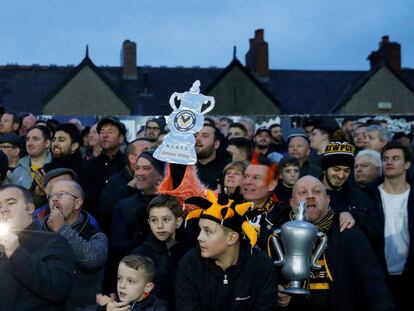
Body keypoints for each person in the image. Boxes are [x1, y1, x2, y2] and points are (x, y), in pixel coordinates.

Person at [277, 176, 396, 311]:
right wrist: (276, 291)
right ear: (292, 202)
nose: (310, 196)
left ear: (327, 200)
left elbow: (372, 281)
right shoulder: (280, 232)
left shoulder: (345, 229)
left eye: (316, 192)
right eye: (303, 192)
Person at [176, 190, 278, 310]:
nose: (199, 237)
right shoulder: (190, 263)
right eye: (200, 230)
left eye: (208, 231)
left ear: (232, 238)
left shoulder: (261, 266)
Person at [0, 184, 75, 310]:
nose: (3, 210)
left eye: (11, 203)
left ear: (30, 208)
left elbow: (59, 290)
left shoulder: (54, 241)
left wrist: (15, 252)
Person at [42, 180, 108, 310]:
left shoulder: (96, 235)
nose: (54, 199)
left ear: (78, 203)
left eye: (61, 194)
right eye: (51, 196)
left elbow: (91, 259)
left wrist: (62, 229)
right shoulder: (40, 232)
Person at [365, 141, 414, 310]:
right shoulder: (367, 196)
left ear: (407, 164)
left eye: (395, 158)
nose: (389, 162)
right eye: (385, 159)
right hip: (378, 275)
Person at [132, 195, 193, 308]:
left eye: (166, 219)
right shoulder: (140, 254)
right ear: (149, 222)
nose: (159, 226)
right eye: (154, 220)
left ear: (178, 222)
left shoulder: (189, 253)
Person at [99, 138, 153, 233]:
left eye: (153, 150)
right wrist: (130, 187)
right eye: (146, 151)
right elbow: (105, 211)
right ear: (132, 158)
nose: (152, 154)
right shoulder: (115, 181)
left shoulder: (159, 178)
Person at [88, 255, 168, 311]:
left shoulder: (159, 307)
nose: (122, 285)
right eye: (119, 278)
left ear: (147, 287)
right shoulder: (113, 303)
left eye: (130, 281)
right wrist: (103, 309)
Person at [195, 124, 231, 189]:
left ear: (216, 144)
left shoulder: (227, 170)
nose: (197, 139)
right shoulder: (183, 167)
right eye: (195, 135)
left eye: (205, 136)